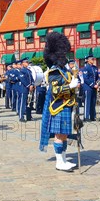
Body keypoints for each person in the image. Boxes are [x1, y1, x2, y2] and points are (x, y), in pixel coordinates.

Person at [39, 32, 78, 172]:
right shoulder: (55, 71)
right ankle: (59, 162)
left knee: (65, 134)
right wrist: (70, 86)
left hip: (66, 105)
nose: (66, 58)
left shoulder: (65, 71)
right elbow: (56, 90)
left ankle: (64, 159)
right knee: (59, 135)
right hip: (58, 106)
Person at [81, 55, 99, 121]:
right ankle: (86, 117)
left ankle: (92, 116)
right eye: (91, 59)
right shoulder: (86, 68)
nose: (93, 60)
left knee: (93, 102)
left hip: (94, 87)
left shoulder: (95, 68)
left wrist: (97, 83)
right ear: (88, 60)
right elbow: (86, 78)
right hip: (88, 87)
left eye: (93, 59)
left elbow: (97, 77)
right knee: (87, 102)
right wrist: (92, 85)